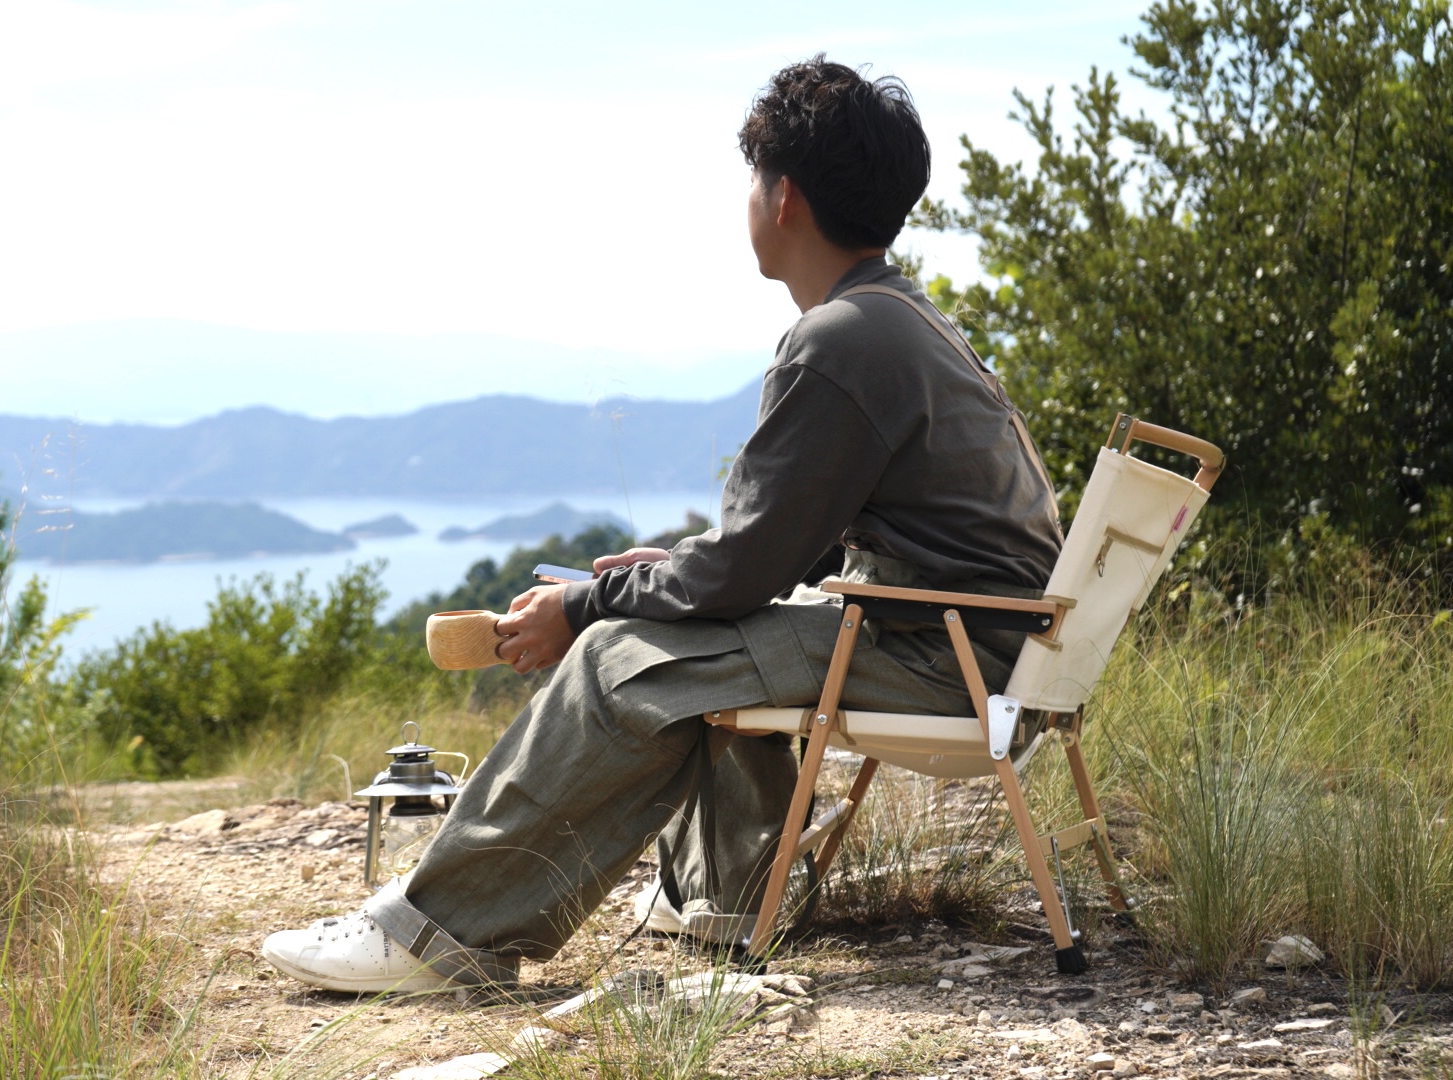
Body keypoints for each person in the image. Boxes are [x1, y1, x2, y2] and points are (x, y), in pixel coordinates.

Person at [261, 56, 1062, 993]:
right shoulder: (899, 318)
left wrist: (585, 608)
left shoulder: (841, 339)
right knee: (695, 631)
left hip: (947, 655)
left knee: (618, 662)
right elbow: (785, 543)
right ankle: (725, 896)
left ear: (785, 198)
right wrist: (682, 570)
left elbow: (745, 571)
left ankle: (437, 935)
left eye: (755, 178)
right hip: (985, 641)